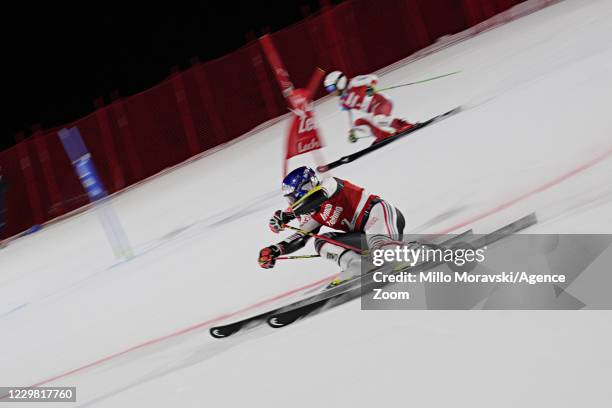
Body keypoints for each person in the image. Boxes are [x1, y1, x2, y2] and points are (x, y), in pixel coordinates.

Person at [258, 166, 405, 287]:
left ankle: (405, 254)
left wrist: (288, 214)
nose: (291, 203)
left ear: (304, 188)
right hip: (363, 235)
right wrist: (275, 250)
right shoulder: (313, 215)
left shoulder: (329, 184)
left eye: (292, 198)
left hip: (379, 214)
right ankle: (356, 266)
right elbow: (300, 237)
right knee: (320, 241)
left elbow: (317, 197)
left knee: (388, 256)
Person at [323, 70, 414, 144]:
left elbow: (373, 78)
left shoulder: (354, 82)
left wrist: (371, 87)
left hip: (382, 102)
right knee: (359, 123)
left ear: (340, 82)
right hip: (374, 110)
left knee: (378, 120)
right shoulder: (342, 101)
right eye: (328, 89)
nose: (331, 92)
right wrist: (352, 131)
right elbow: (349, 116)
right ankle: (383, 135)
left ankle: (404, 125)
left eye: (331, 88)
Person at [0, 167, 7, 239]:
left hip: (1, 203)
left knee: (2, 221)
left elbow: (6, 188)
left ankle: (1, 238)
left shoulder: (2, 178)